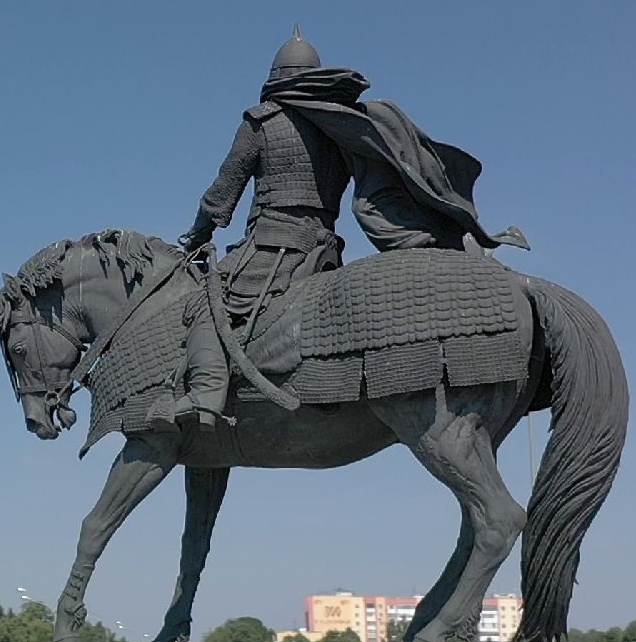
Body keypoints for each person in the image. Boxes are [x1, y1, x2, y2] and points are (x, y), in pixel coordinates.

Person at [161, 26, 522, 427]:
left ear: (275, 77)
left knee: (206, 302)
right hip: (323, 252)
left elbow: (221, 196)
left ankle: (206, 395)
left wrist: (197, 235)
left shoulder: (261, 123)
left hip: (269, 251)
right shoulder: (338, 125)